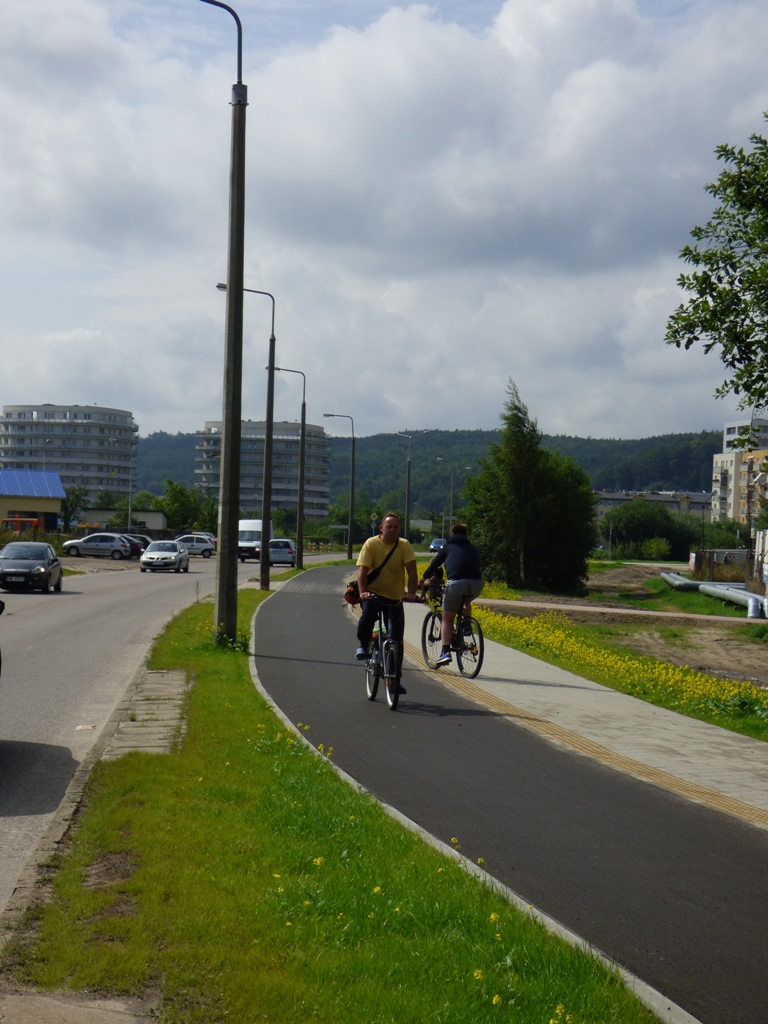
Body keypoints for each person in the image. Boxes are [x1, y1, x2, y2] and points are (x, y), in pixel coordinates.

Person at [355, 513, 419, 693]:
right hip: (373, 594)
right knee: (367, 616)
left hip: (395, 597)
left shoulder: (404, 545)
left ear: (399, 529)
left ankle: (395, 680)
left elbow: (412, 572)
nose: (392, 530)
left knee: (397, 640)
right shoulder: (371, 544)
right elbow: (363, 571)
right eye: (388, 526)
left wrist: (412, 594)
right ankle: (363, 644)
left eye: (395, 527)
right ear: (381, 528)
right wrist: (363, 593)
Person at [419, 523, 483, 667]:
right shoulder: (473, 548)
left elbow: (434, 565)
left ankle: (445, 652)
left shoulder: (447, 547)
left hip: (456, 584)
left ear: (452, 534)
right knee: (466, 599)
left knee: (447, 619)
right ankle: (467, 625)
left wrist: (423, 580)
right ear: (466, 535)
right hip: (477, 584)